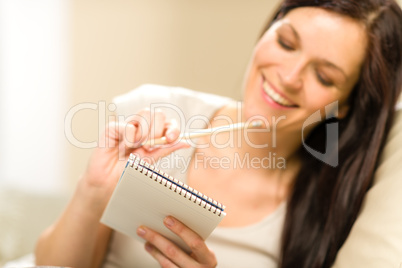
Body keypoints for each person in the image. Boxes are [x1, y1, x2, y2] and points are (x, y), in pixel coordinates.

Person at [34, 0, 402, 267]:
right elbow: (50, 265)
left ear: (343, 107)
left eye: (324, 76)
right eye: (286, 43)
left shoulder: (328, 209)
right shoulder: (151, 113)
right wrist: (93, 191)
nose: (288, 78)